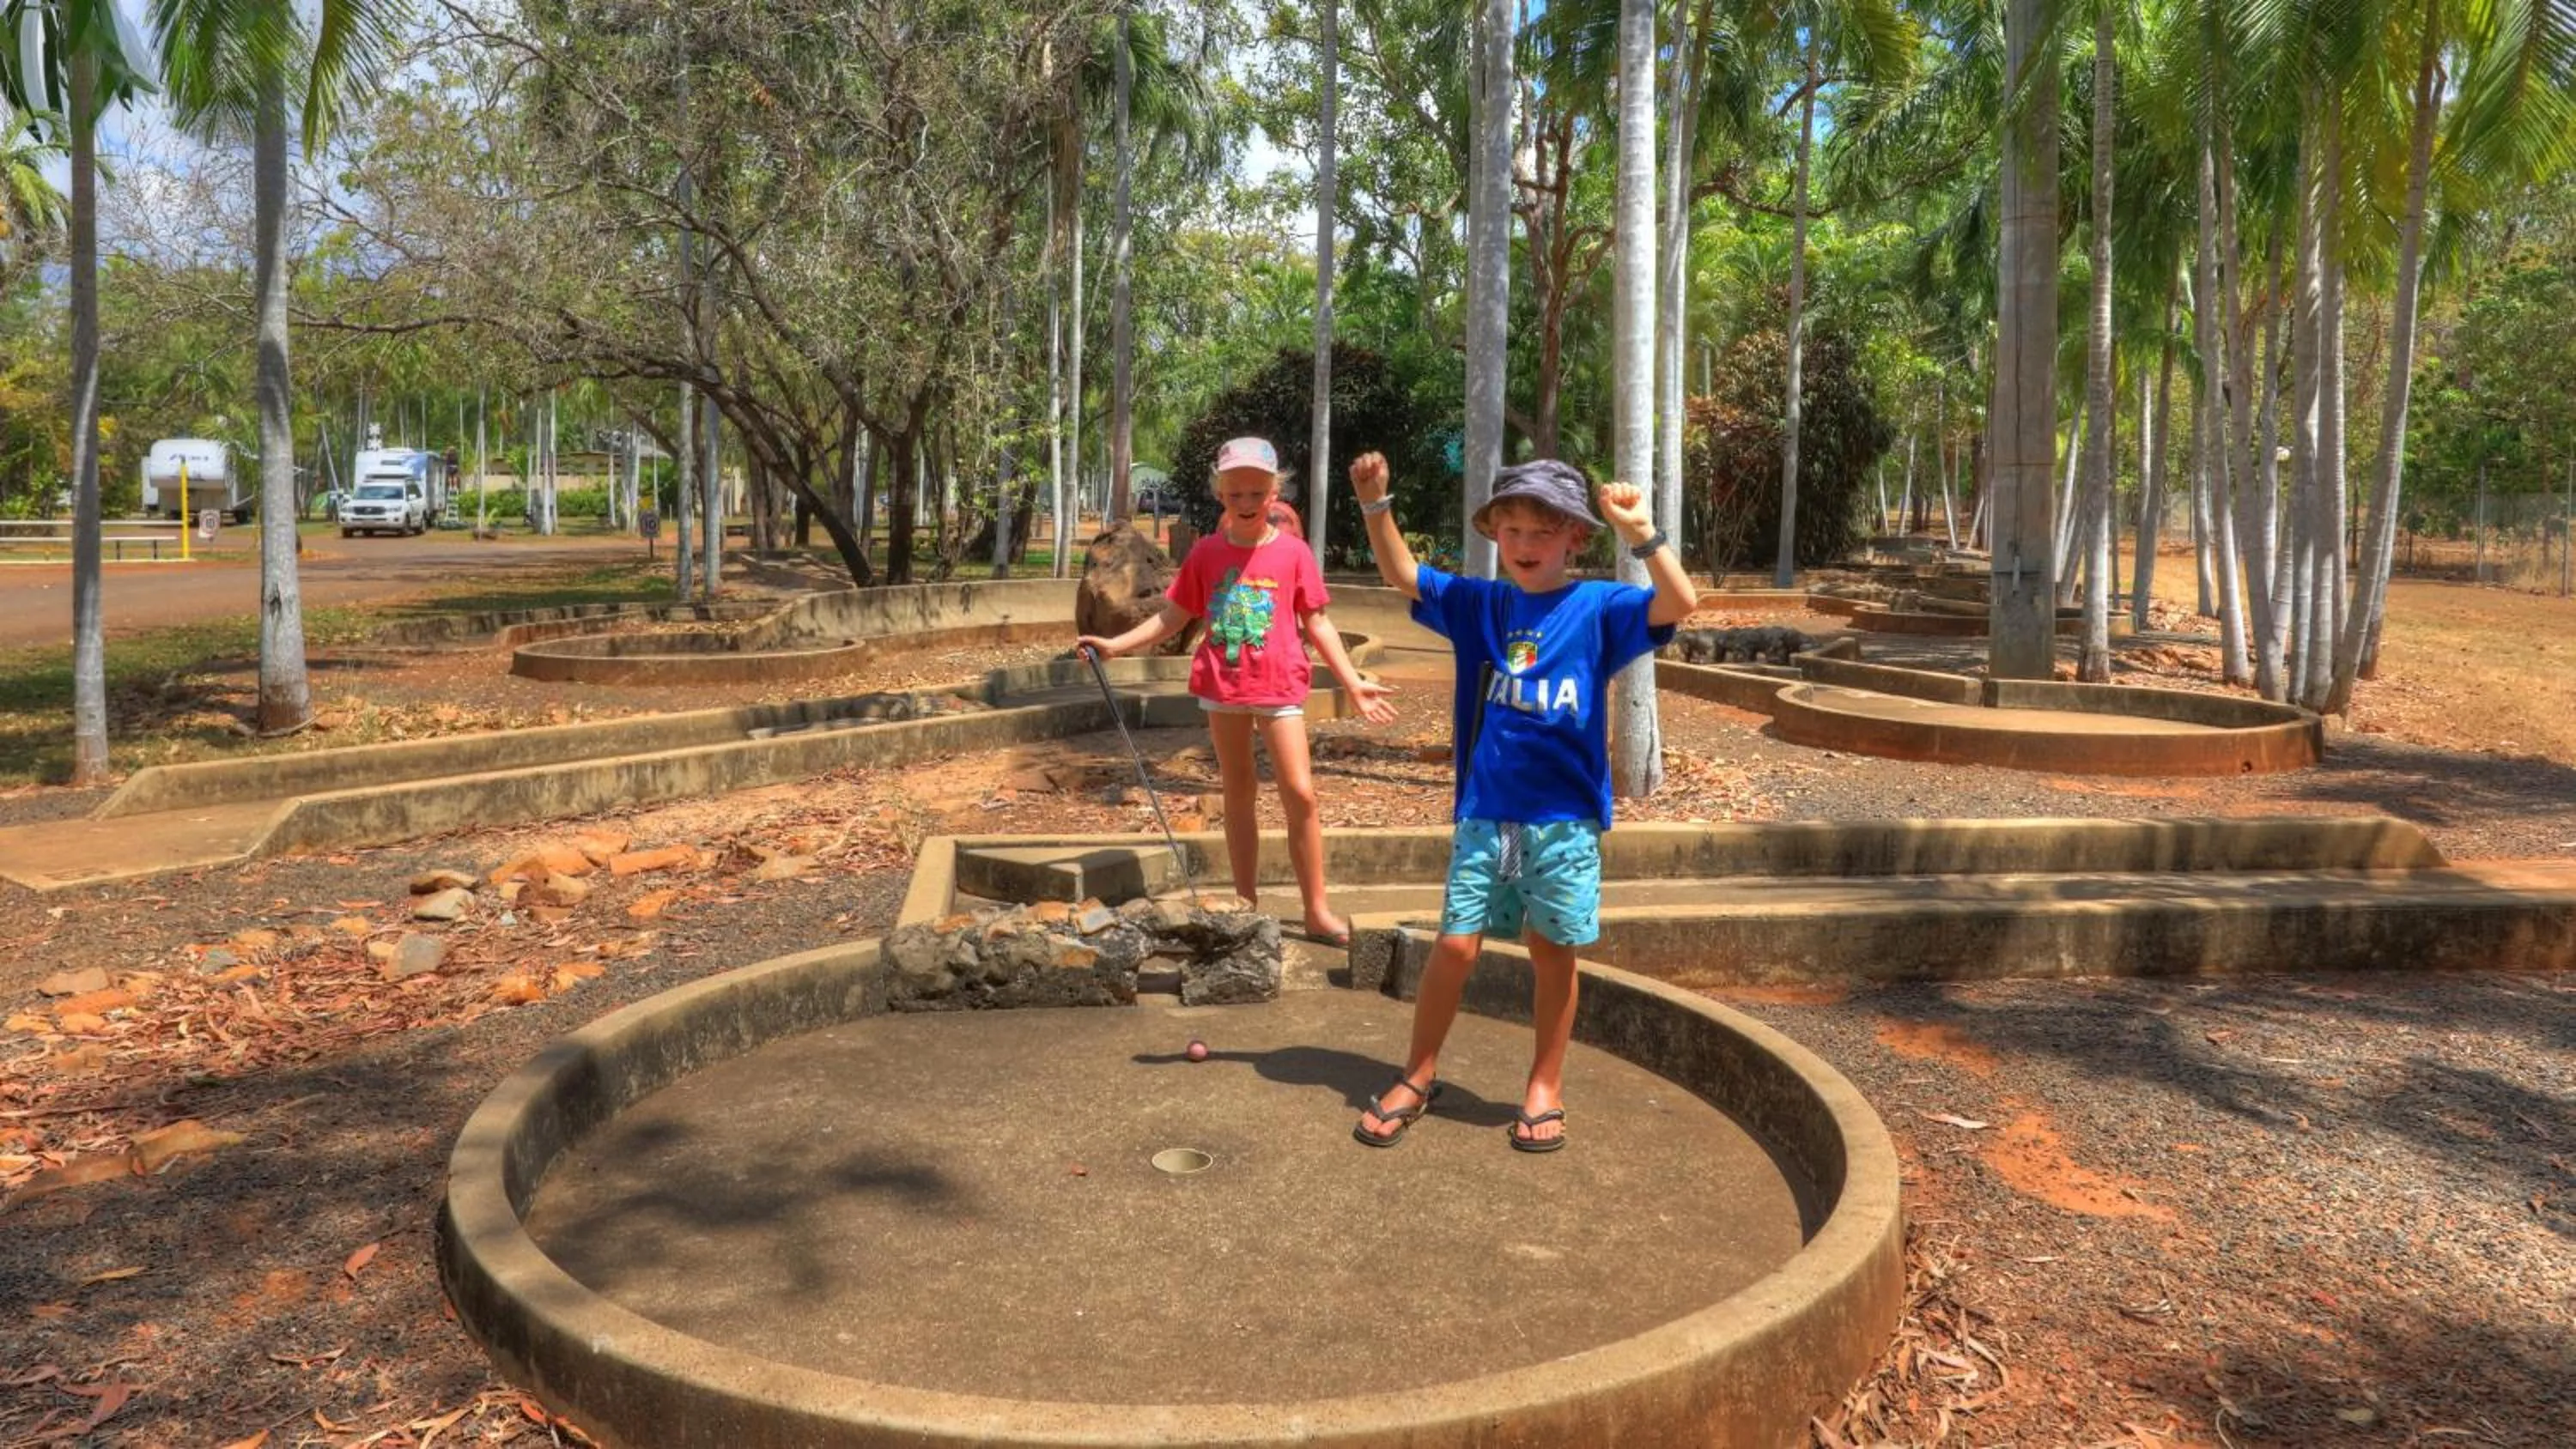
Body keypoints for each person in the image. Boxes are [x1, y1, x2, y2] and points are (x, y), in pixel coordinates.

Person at [1344, 450, 1698, 1151]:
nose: (1525, 547)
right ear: (1494, 536)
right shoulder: (1484, 605)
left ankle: (1544, 1084)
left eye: (1543, 531)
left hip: (1564, 820)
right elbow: (1401, 574)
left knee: (1553, 950)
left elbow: (1680, 603)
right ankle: (1417, 1073)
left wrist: (1642, 533)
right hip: (1487, 809)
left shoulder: (1598, 608)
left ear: (1574, 536)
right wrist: (1374, 504)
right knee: (1454, 945)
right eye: (1511, 532)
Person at [1078, 437, 1397, 946]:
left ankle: (1316, 910)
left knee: (1301, 794)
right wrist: (1116, 646)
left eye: (1256, 493)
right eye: (1235, 495)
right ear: (1220, 495)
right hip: (1224, 687)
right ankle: (1246, 904)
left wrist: (1351, 680)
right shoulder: (1207, 553)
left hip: (1280, 688)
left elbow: (1317, 622)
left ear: (1275, 493)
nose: (1246, 504)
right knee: (1238, 792)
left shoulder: (1293, 553)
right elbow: (1171, 616)